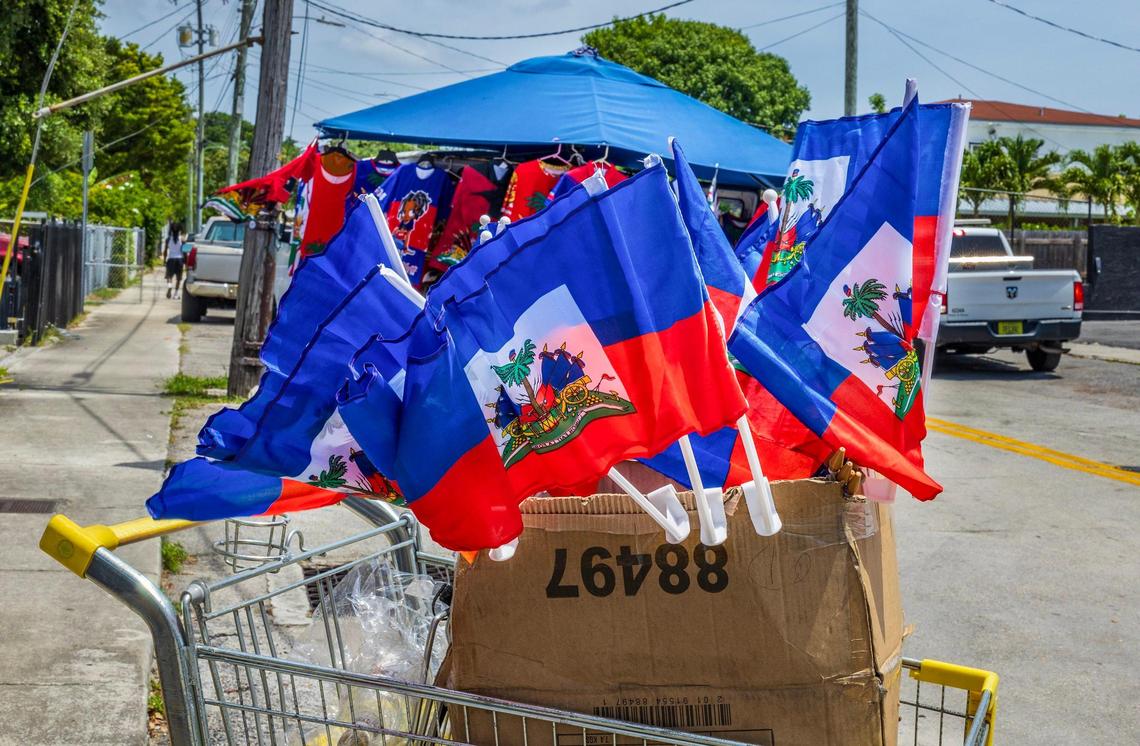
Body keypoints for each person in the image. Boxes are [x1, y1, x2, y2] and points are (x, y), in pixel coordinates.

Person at [164, 224, 185, 299]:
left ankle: (169, 286)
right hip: (179, 260)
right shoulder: (182, 239)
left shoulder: (168, 239)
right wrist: (185, 260)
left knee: (169, 276)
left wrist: (164, 260)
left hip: (171, 259)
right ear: (179, 230)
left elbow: (165, 251)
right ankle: (175, 294)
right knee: (178, 279)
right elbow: (185, 251)